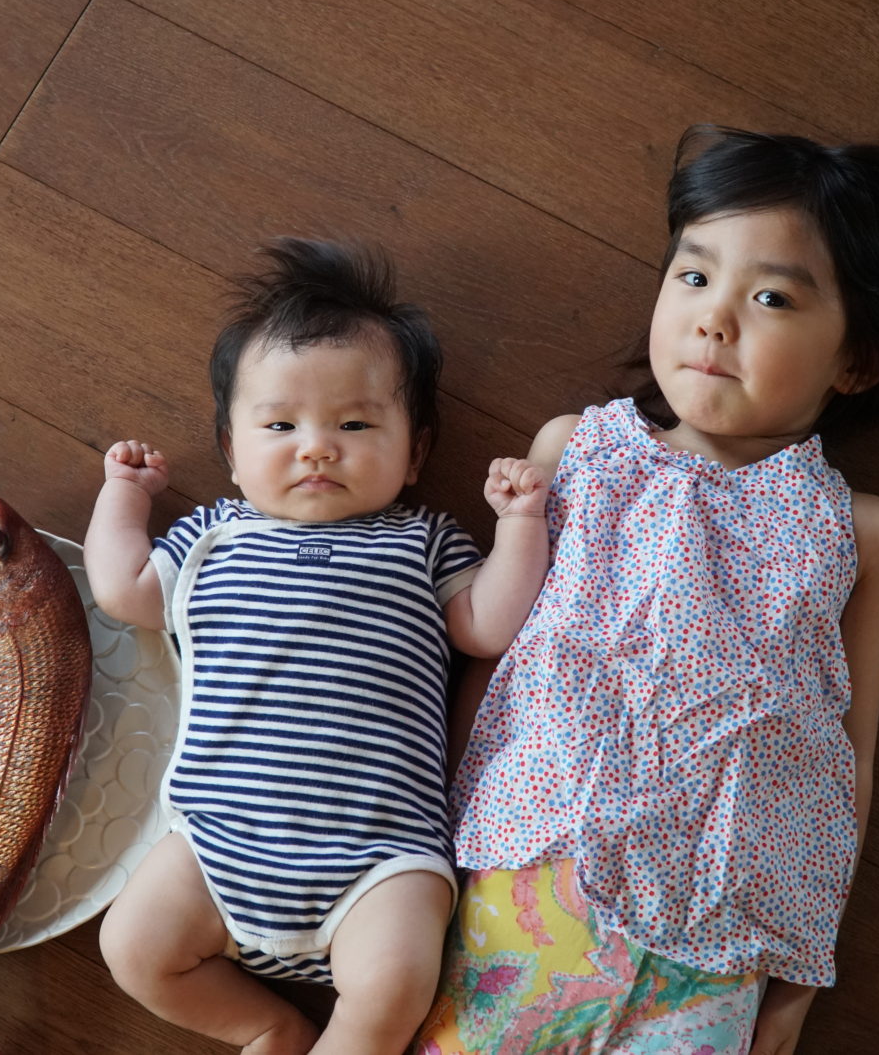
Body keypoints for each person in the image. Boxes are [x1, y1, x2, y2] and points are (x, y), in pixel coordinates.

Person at [415, 124, 879, 1054]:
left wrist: (802, 973)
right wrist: (433, 859)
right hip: (530, 879)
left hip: (721, 937)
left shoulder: (865, 533)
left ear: (857, 360)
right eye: (694, 276)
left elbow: (848, 757)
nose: (714, 318)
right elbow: (496, 663)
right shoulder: (577, 450)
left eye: (771, 296)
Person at [84, 237, 550, 1055]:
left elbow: (489, 625)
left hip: (382, 854)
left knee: (395, 983)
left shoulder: (421, 541)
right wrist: (124, 497)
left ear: (416, 452)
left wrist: (520, 525)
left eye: (355, 423)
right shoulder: (212, 538)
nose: (317, 446)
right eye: (280, 424)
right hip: (220, 842)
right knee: (132, 945)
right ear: (231, 451)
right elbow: (124, 588)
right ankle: (269, 1023)